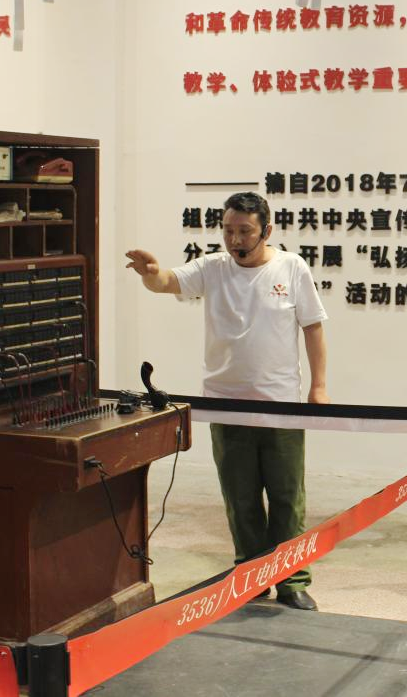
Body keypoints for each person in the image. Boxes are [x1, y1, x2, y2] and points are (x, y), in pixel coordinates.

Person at [125, 191, 329, 610]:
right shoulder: (213, 268)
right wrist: (151, 273)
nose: (235, 240)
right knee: (240, 497)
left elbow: (313, 327)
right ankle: (251, 576)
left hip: (280, 405)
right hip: (226, 402)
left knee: (287, 496)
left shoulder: (291, 267)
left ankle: (292, 579)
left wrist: (318, 387)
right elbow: (167, 282)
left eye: (245, 232)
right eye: (229, 230)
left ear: (266, 230)